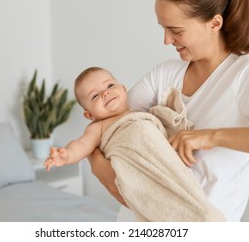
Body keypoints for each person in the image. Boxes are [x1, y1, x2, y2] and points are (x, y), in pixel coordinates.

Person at [87, 0, 249, 222]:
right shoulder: (164, 74)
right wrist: (101, 169)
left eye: (176, 30)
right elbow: (105, 126)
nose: (166, 40)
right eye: (163, 28)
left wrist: (208, 137)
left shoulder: (248, 75)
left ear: (214, 23)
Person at [44, 66, 225, 221]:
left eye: (109, 85)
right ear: (89, 115)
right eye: (95, 96)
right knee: (162, 203)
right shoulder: (97, 128)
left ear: (124, 89)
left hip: (161, 162)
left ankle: (202, 215)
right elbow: (82, 146)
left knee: (182, 189)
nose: (105, 92)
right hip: (134, 165)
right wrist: (65, 155)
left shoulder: (142, 113)